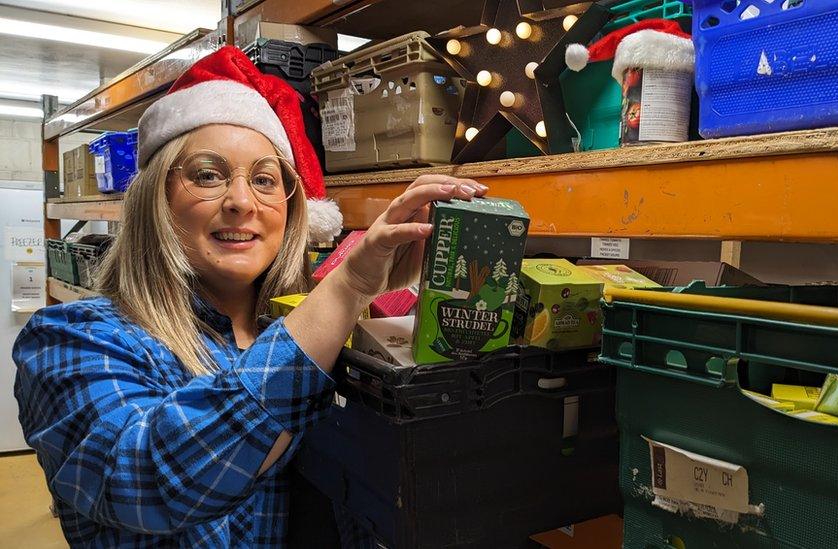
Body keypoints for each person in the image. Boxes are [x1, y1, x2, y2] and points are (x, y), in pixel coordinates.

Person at [13, 46, 485, 547]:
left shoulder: (305, 326)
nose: (241, 201)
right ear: (157, 199)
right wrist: (346, 288)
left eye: (264, 180)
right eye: (208, 174)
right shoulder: (71, 339)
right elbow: (146, 480)